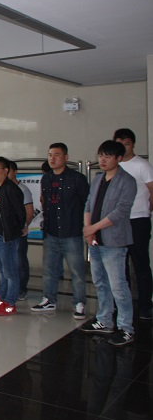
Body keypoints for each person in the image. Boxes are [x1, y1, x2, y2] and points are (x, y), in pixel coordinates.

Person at [80, 140, 136, 346]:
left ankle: (126, 328)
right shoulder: (97, 179)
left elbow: (120, 211)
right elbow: (88, 205)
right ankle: (104, 320)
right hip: (95, 240)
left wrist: (93, 228)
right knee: (100, 282)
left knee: (118, 286)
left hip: (114, 241)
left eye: (108, 156)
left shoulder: (127, 181)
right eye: (100, 155)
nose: (102, 160)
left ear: (119, 158)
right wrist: (88, 230)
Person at [31, 143, 89, 318]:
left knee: (77, 272)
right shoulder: (46, 179)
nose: (52, 158)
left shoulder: (77, 178)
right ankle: (49, 299)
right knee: (49, 271)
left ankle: (79, 303)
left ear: (66, 157)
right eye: (50, 155)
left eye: (56, 154)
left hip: (71, 232)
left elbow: (87, 204)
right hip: (51, 232)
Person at [113, 128, 153, 320]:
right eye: (119, 143)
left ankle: (145, 306)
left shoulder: (141, 165)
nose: (123, 147)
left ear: (133, 144)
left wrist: (145, 210)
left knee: (140, 264)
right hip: (118, 221)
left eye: (126, 143)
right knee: (119, 266)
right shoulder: (115, 166)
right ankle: (122, 306)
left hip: (138, 221)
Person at [0, 157, 26, 316]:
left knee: (10, 271)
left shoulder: (11, 189)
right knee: (0, 270)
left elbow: (20, 214)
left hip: (6, 236)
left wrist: (14, 230)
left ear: (6, 171)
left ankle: (10, 302)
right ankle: (2, 297)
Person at [8, 161, 35, 301]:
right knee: (7, 261)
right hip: (6, 232)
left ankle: (21, 289)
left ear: (15, 172)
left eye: (9, 171)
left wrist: (24, 227)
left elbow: (29, 211)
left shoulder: (23, 189)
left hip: (18, 232)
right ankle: (8, 287)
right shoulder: (2, 188)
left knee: (20, 261)